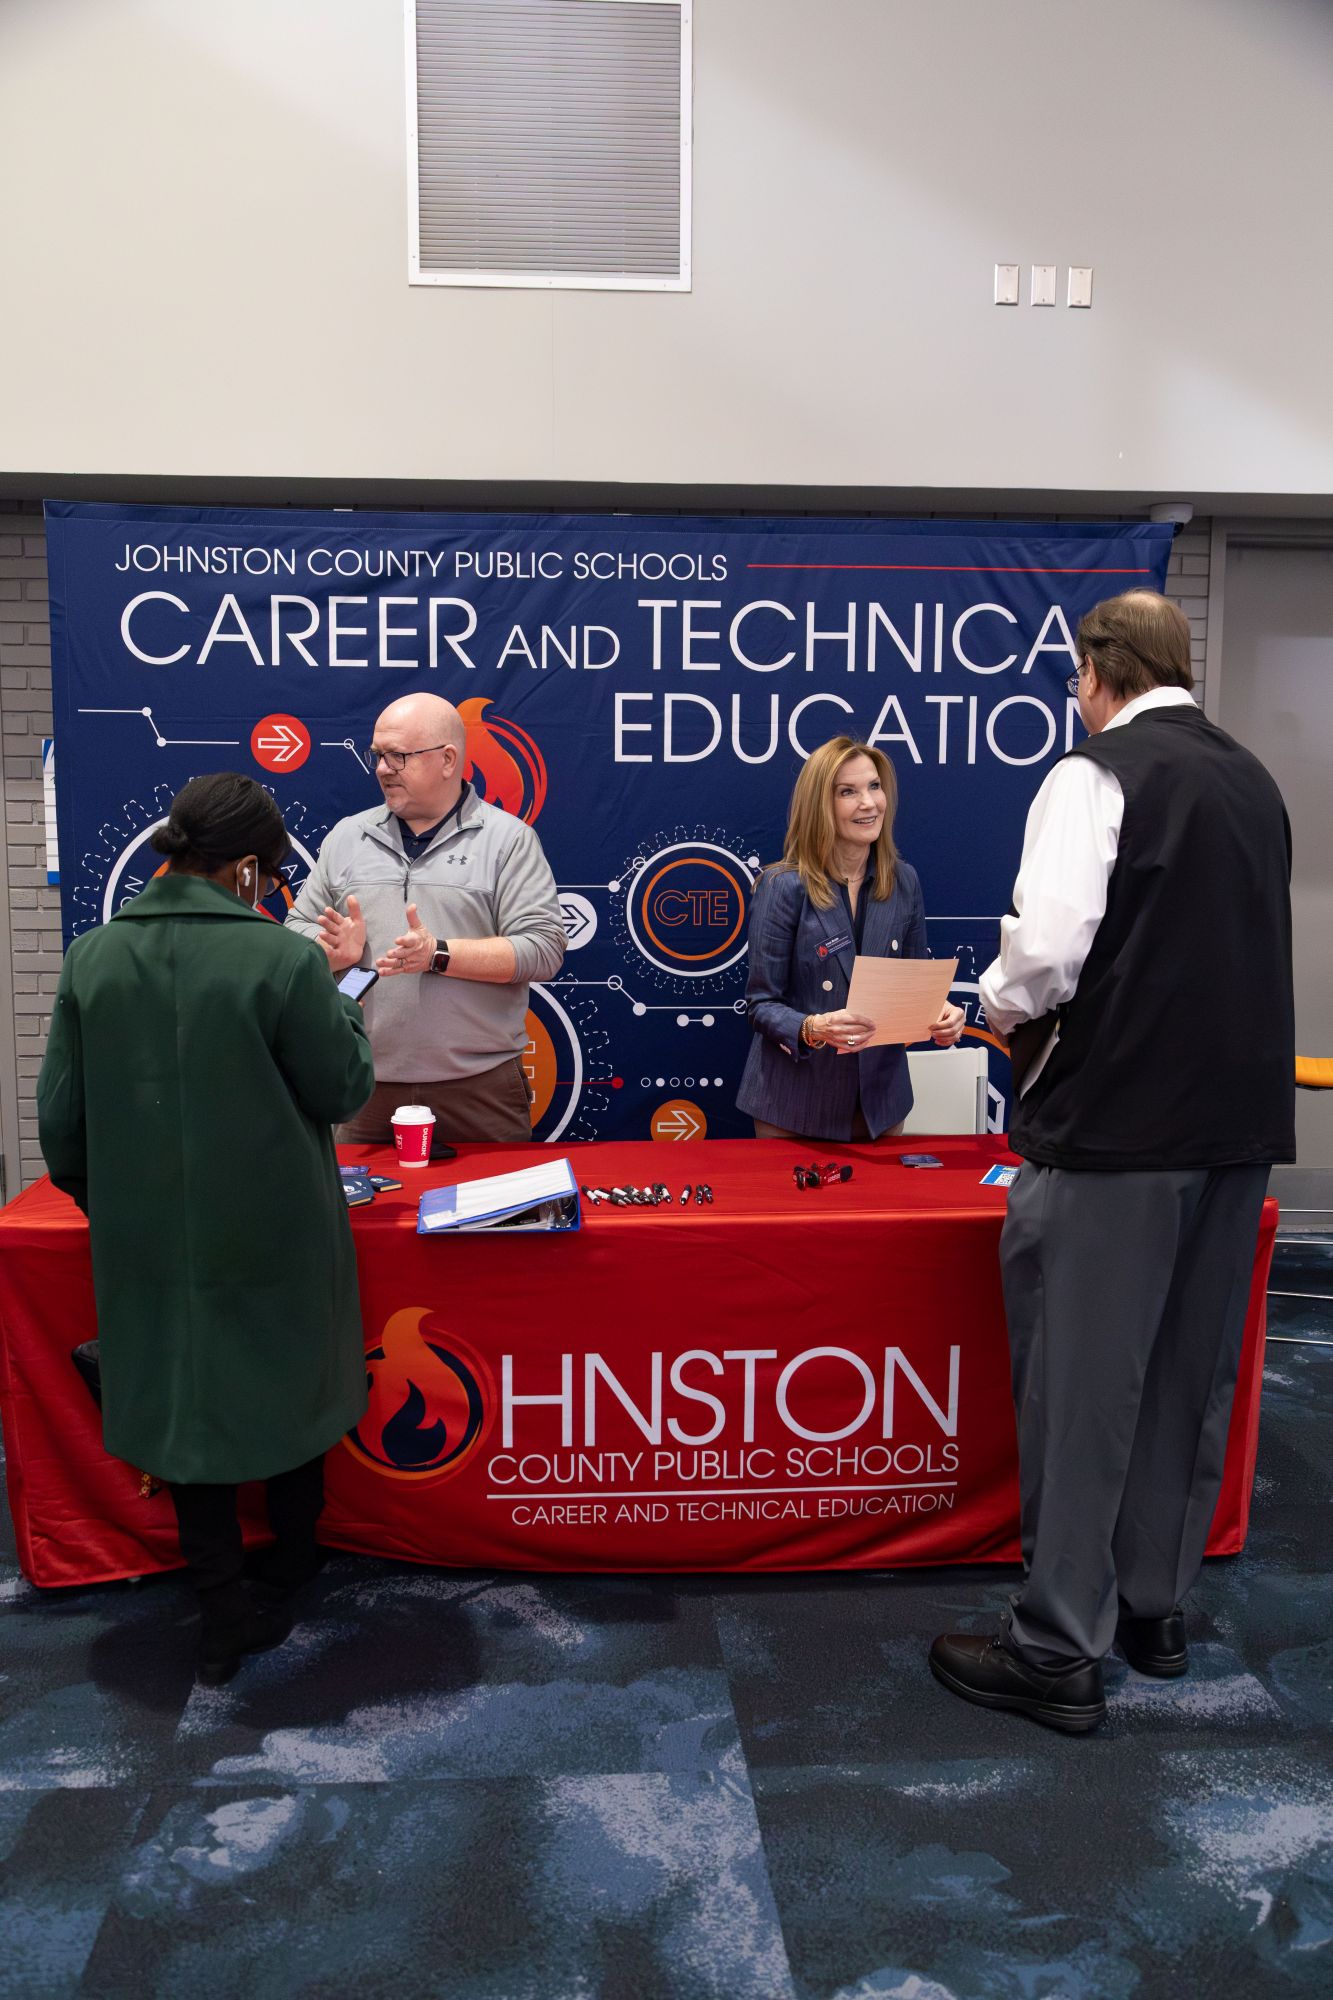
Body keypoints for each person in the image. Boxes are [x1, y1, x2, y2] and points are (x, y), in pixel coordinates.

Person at [930, 590, 1296, 1734]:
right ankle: (1152, 1606)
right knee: (1187, 1373)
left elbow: (1042, 954)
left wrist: (982, 1003)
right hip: (1236, 1129)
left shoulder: (1095, 773)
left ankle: (1053, 1648)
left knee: (1084, 1384)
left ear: (1096, 668)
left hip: (1117, 1131)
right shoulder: (1252, 778)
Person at [37, 774, 376, 1685]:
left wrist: (121, 1208)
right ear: (250, 870)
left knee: (186, 1408)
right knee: (293, 1389)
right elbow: (341, 1088)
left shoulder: (93, 958)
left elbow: (62, 1128)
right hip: (279, 1233)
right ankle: (296, 1563)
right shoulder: (286, 962)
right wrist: (347, 990)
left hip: (148, 1239)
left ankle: (221, 1607)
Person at [286, 691, 566, 1145]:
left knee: (492, 1215)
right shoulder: (346, 837)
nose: (381, 769)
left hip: (480, 1088)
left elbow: (543, 948)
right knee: (360, 1215)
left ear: (448, 759)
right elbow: (294, 930)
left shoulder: (509, 841)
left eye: (397, 756)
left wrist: (439, 953)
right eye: (378, 755)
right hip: (362, 1084)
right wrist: (329, 950)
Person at [737, 737, 965, 1142]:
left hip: (881, 1106)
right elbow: (760, 1005)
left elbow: (911, 984)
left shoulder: (904, 881)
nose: (869, 803)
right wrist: (814, 1026)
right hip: (794, 1107)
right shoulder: (782, 886)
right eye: (848, 791)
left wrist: (941, 1011)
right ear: (819, 806)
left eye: (874, 787)